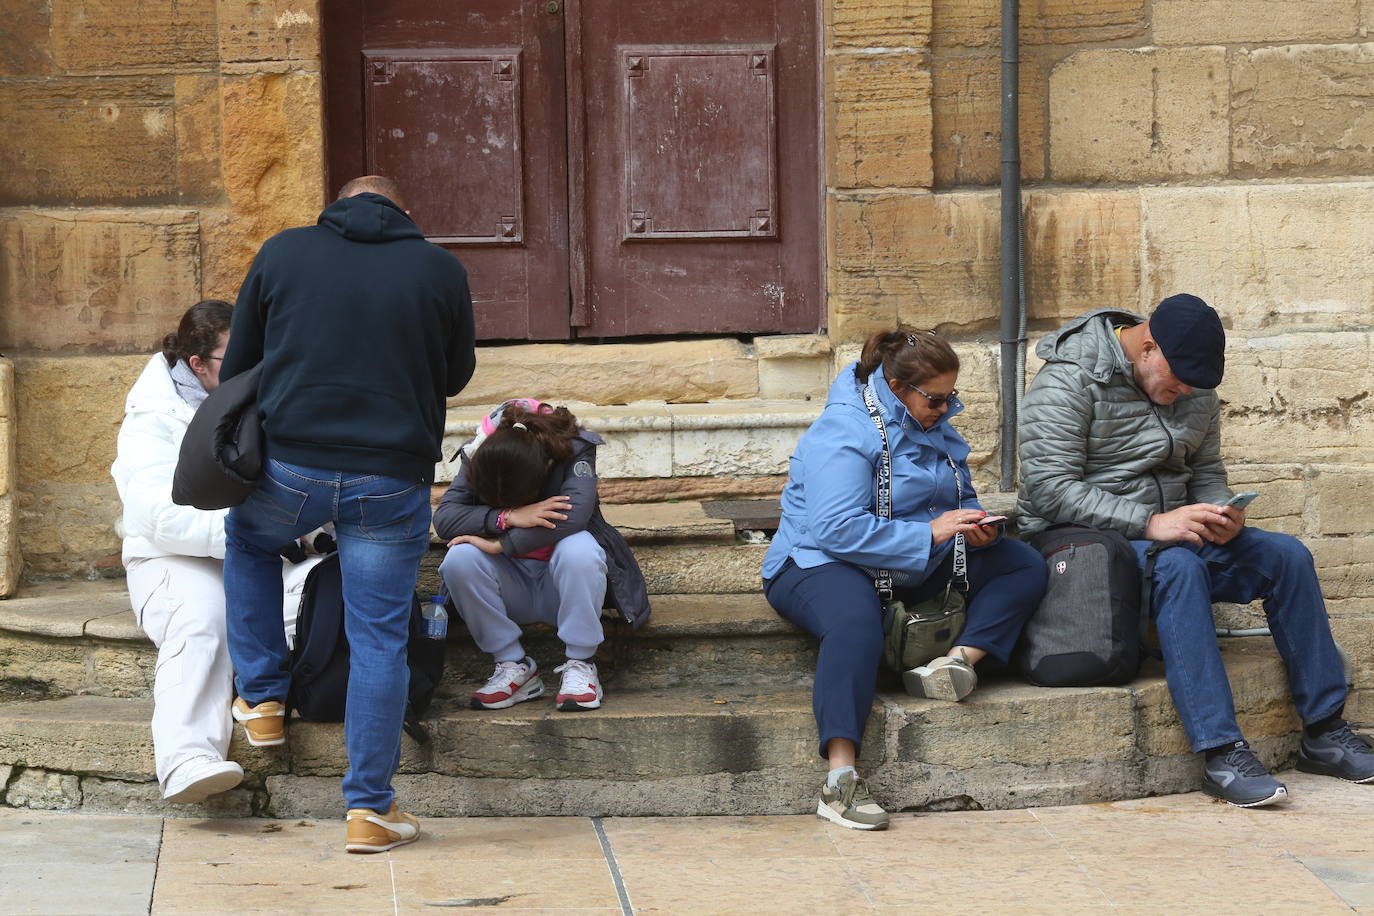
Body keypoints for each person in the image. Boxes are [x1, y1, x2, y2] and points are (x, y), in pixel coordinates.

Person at [1018, 293, 1374, 807]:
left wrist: (1220, 514)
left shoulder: (1195, 388)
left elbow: (1205, 473)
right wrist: (1150, 522)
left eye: (1194, 385)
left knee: (1286, 555)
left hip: (1171, 532)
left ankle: (1324, 731)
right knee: (1179, 566)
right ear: (1147, 346)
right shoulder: (1068, 379)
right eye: (1177, 379)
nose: (1184, 391)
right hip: (1087, 542)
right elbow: (1049, 488)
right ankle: (1222, 752)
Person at [219, 175, 476, 853]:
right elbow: (454, 377)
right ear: (405, 211)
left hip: (291, 466)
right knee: (380, 640)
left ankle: (264, 698)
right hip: (390, 479)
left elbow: (238, 365)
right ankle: (369, 809)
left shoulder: (283, 251)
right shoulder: (439, 268)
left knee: (248, 544)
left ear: (332, 206)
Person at [762, 328, 1048, 830]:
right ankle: (840, 778)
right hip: (819, 561)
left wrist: (970, 524)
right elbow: (834, 529)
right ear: (895, 387)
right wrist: (930, 533)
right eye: (936, 398)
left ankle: (954, 664)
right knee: (854, 623)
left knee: (1021, 564)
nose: (945, 407)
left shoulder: (933, 422)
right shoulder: (845, 430)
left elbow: (953, 496)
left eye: (951, 396)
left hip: (910, 555)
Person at [110, 301, 319, 804]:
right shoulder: (151, 419)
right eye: (235, 357)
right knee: (203, 618)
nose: (251, 365)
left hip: (270, 547)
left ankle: (266, 703)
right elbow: (160, 518)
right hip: (173, 557)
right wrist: (260, 533)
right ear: (197, 364)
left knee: (321, 596)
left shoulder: (265, 396)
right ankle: (186, 758)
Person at [433, 399, 650, 712]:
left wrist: (501, 544)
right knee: (458, 558)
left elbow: (574, 515)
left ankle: (581, 663)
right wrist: (508, 516)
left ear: (545, 466)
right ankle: (513, 666)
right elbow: (445, 520)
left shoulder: (573, 447)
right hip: (508, 586)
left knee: (580, 547)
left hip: (561, 587)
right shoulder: (483, 450)